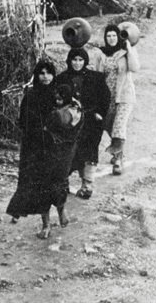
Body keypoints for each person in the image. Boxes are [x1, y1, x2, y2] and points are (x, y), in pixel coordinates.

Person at [8, 59, 83, 238]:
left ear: (53, 75)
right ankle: (46, 225)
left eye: (49, 73)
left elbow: (75, 119)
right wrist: (39, 131)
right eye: (41, 73)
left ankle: (61, 210)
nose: (45, 77)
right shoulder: (31, 95)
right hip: (36, 147)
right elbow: (23, 122)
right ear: (37, 75)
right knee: (41, 186)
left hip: (58, 149)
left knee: (59, 181)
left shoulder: (61, 93)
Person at [55, 46, 110, 199]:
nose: (77, 63)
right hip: (70, 123)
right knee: (67, 150)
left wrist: (100, 113)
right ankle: (63, 183)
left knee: (90, 150)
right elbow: (56, 99)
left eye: (81, 60)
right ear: (69, 61)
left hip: (91, 121)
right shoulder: (61, 78)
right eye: (74, 60)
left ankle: (87, 186)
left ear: (85, 61)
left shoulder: (96, 78)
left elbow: (105, 97)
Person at [100, 24, 140, 175]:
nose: (111, 39)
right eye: (108, 36)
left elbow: (135, 68)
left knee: (119, 125)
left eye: (114, 36)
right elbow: (98, 74)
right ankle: (119, 153)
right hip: (107, 96)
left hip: (124, 95)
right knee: (109, 125)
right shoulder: (102, 54)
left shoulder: (125, 52)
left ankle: (117, 161)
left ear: (118, 37)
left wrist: (129, 48)